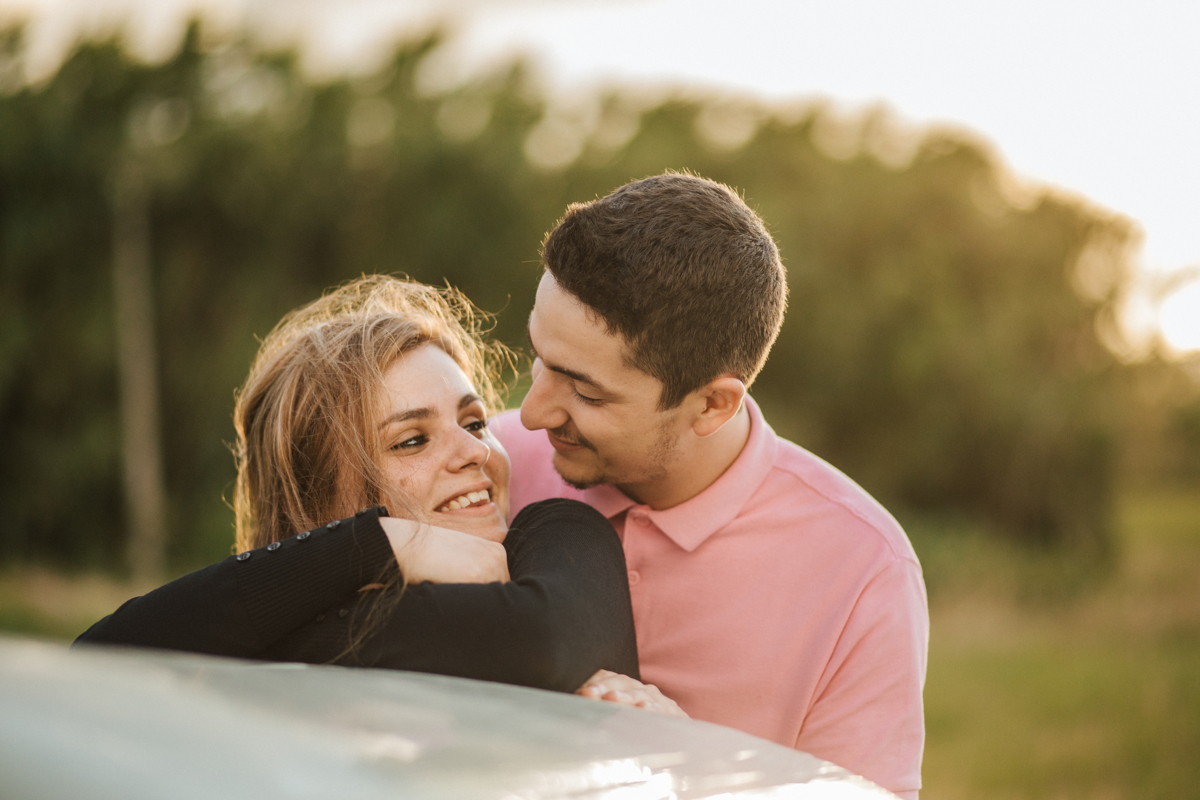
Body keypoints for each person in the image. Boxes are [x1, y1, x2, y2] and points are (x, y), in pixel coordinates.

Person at [490, 172, 929, 798]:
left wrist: (691, 773)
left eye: (585, 390)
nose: (531, 414)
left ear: (713, 405)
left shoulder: (864, 573)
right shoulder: (486, 464)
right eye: (540, 358)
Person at [77, 277, 661, 705]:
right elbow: (94, 660)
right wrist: (378, 544)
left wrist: (247, 648)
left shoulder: (559, 534)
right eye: (411, 440)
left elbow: (544, 636)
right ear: (321, 499)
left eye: (475, 421)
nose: (476, 452)